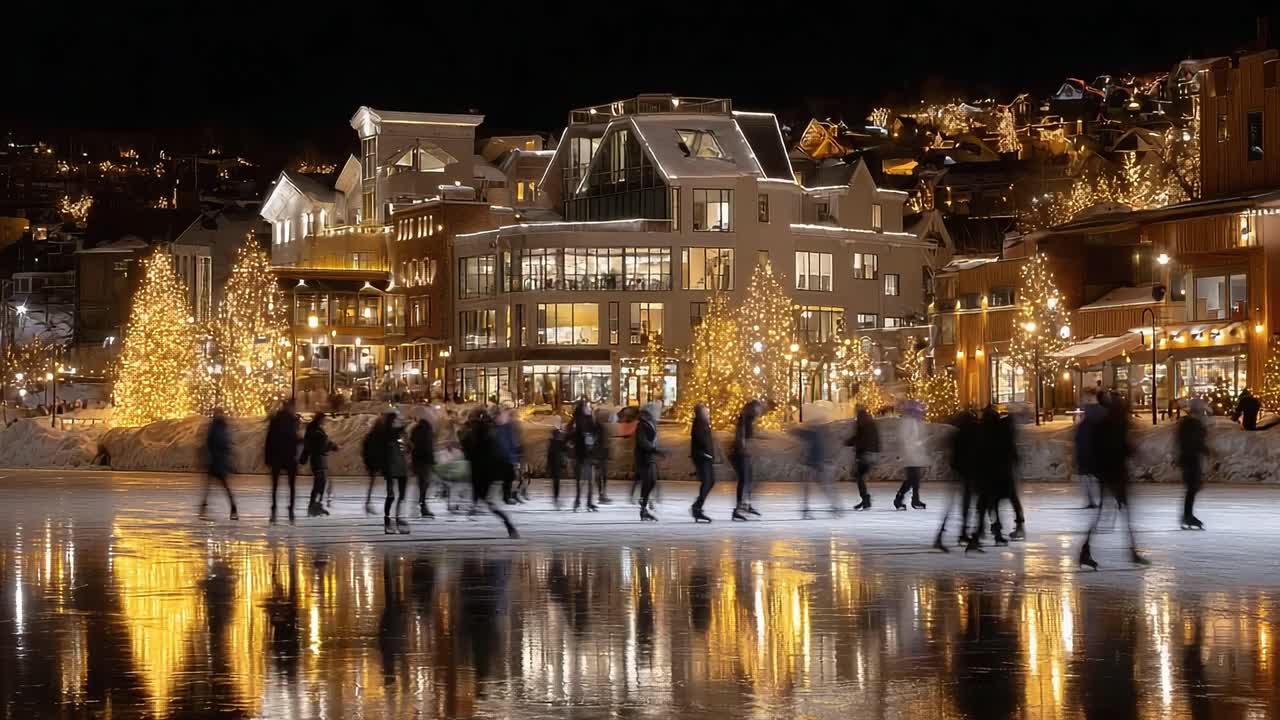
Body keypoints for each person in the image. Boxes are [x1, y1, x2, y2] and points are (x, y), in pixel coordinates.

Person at [1079, 393, 1150, 569]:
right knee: (1119, 514)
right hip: (1114, 475)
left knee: (1111, 515)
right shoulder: (1114, 425)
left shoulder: (1109, 423)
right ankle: (1128, 552)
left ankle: (1087, 550)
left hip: (1110, 474)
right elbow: (1117, 448)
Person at [461, 408, 519, 538]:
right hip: (489, 472)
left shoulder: (477, 433)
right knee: (489, 502)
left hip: (481, 472)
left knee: (488, 501)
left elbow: (470, 449)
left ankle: (509, 525)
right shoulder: (490, 432)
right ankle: (509, 525)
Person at [935, 407, 979, 551]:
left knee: (957, 505)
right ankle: (956, 534)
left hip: (960, 472)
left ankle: (948, 534)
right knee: (964, 505)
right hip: (967, 472)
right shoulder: (970, 434)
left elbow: (953, 454)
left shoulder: (958, 434)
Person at [792, 408, 839, 519]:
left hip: (813, 463)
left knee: (812, 487)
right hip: (815, 463)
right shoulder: (821, 433)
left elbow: (797, 433)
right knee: (822, 486)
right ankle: (833, 506)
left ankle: (807, 508)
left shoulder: (813, 433)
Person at [264, 399, 301, 524]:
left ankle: (275, 507)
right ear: (289, 407)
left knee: (276, 485)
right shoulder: (291, 420)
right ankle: (290, 508)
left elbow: (269, 439)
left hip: (277, 456)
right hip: (288, 456)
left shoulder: (278, 420)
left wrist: (268, 457)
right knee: (291, 485)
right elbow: (292, 437)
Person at [1176, 398, 1210, 530]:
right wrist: (1203, 449)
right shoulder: (1192, 424)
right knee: (1192, 488)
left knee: (1193, 488)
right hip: (1190, 458)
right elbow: (1192, 441)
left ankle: (1187, 515)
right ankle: (1187, 515)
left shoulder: (1191, 423)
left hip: (1190, 458)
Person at [201, 408, 238, 520]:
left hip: (218, 462)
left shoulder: (219, 427)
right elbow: (212, 443)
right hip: (216, 461)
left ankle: (233, 507)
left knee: (222, 487)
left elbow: (220, 443)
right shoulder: (218, 427)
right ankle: (204, 509)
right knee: (210, 487)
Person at [730, 400, 762, 521]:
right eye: (758, 409)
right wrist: (743, 448)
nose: (760, 412)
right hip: (740, 454)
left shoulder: (749, 420)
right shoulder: (744, 420)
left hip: (744, 453)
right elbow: (740, 436)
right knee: (744, 480)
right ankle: (738, 509)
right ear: (753, 409)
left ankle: (746, 505)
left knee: (748, 479)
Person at [300, 412, 337, 517]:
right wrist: (332, 446)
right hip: (318, 459)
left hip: (320, 459)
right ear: (320, 419)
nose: (324, 421)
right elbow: (320, 444)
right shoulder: (315, 430)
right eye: (323, 419)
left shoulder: (316, 429)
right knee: (319, 483)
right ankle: (313, 506)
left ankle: (316, 505)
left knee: (321, 483)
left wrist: (331, 445)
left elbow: (321, 443)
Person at [381, 409, 411, 534]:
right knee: (393, 495)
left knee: (397, 495)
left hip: (399, 468)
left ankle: (396, 519)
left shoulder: (398, 433)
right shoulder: (388, 435)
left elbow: (407, 449)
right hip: (393, 468)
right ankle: (390, 520)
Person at [894, 401, 929, 511]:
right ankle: (900, 499)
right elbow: (905, 439)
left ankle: (914, 499)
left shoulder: (915, 422)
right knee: (912, 479)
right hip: (910, 454)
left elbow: (917, 437)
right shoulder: (907, 422)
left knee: (915, 479)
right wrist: (916, 445)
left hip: (915, 454)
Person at [1074, 389, 1105, 509]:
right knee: (1094, 477)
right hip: (1091, 449)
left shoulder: (1090, 412)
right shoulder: (1097, 411)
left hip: (1090, 449)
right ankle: (1096, 499)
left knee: (1090, 476)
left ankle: (1093, 500)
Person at [634, 402, 665, 521]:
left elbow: (653, 440)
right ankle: (643, 508)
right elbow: (643, 442)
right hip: (644, 457)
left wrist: (657, 449)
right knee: (649, 481)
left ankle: (644, 506)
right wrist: (655, 449)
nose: (657, 413)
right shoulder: (642, 425)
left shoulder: (651, 423)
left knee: (651, 481)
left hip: (650, 457)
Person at [846, 405, 880, 511]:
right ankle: (865, 499)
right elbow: (873, 439)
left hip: (865, 454)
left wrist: (850, 442)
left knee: (859, 476)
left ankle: (865, 499)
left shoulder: (861, 423)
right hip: (871, 453)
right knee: (859, 476)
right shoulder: (869, 422)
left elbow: (859, 438)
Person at [569, 400, 599, 512]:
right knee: (588, 480)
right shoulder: (587, 420)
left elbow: (570, 435)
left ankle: (579, 501)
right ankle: (587, 502)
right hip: (585, 454)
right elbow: (595, 434)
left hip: (580, 454)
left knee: (581, 480)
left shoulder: (576, 421)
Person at [690, 403, 716, 523]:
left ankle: (698, 506)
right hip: (703, 456)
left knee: (710, 481)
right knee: (708, 481)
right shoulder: (700, 423)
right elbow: (702, 440)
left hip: (706, 456)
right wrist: (707, 452)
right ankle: (697, 507)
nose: (708, 413)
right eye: (706, 411)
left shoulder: (703, 422)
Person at [409, 409, 436, 519]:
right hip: (425, 460)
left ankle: (420, 506)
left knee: (422, 485)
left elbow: (412, 442)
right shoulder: (428, 430)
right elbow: (428, 447)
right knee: (424, 485)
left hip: (418, 459)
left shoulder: (415, 429)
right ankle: (422, 506)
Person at [494, 408, 524, 504]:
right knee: (507, 477)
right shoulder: (501, 428)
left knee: (509, 477)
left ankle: (507, 496)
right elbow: (506, 442)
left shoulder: (508, 427)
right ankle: (506, 496)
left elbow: (512, 442)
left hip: (508, 457)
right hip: (504, 457)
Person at [362, 418, 385, 515]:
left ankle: (368, 502)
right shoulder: (380, 436)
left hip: (372, 462)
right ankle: (368, 503)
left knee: (372, 483)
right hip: (377, 462)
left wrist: (367, 461)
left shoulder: (370, 436)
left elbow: (364, 450)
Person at [546, 420, 566, 509]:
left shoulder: (553, 443)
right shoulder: (558, 443)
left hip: (555, 464)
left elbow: (549, 455)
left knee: (556, 482)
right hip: (556, 464)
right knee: (556, 482)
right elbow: (563, 453)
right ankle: (556, 498)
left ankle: (556, 498)